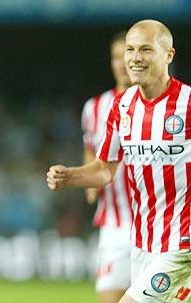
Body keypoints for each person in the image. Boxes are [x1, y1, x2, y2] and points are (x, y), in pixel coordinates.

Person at [47, 19, 191, 303]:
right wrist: (70, 177)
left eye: (146, 50)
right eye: (130, 50)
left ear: (168, 55)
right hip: (142, 242)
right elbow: (104, 169)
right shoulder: (121, 106)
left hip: (182, 242)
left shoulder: (187, 104)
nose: (135, 59)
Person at [80, 32, 132, 303]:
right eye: (115, 56)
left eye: (127, 54)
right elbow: (91, 150)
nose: (122, 62)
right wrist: (90, 184)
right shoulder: (95, 108)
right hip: (115, 226)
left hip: (160, 228)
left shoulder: (168, 107)